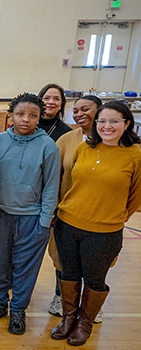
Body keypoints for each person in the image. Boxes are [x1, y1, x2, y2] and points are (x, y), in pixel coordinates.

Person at [52, 101, 141, 346]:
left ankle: (84, 323)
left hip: (104, 231)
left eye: (114, 121)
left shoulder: (135, 155)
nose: (107, 126)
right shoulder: (84, 148)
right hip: (68, 223)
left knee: (94, 280)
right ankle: (68, 319)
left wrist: (115, 216)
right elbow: (71, 182)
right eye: (102, 121)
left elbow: (136, 196)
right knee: (68, 273)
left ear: (127, 124)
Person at [0, 93, 60, 335]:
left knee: (25, 267)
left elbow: (51, 187)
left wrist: (44, 223)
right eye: (20, 114)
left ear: (39, 118)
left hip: (32, 218)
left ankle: (18, 309)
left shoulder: (49, 147)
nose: (26, 119)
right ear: (11, 115)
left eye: (33, 115)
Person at [48, 95, 104, 320]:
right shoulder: (66, 140)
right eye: (76, 110)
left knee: (95, 263)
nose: (79, 114)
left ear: (100, 110)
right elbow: (54, 178)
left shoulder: (113, 142)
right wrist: (53, 209)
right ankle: (61, 297)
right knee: (63, 259)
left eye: (86, 109)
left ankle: (90, 306)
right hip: (67, 213)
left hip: (99, 217)